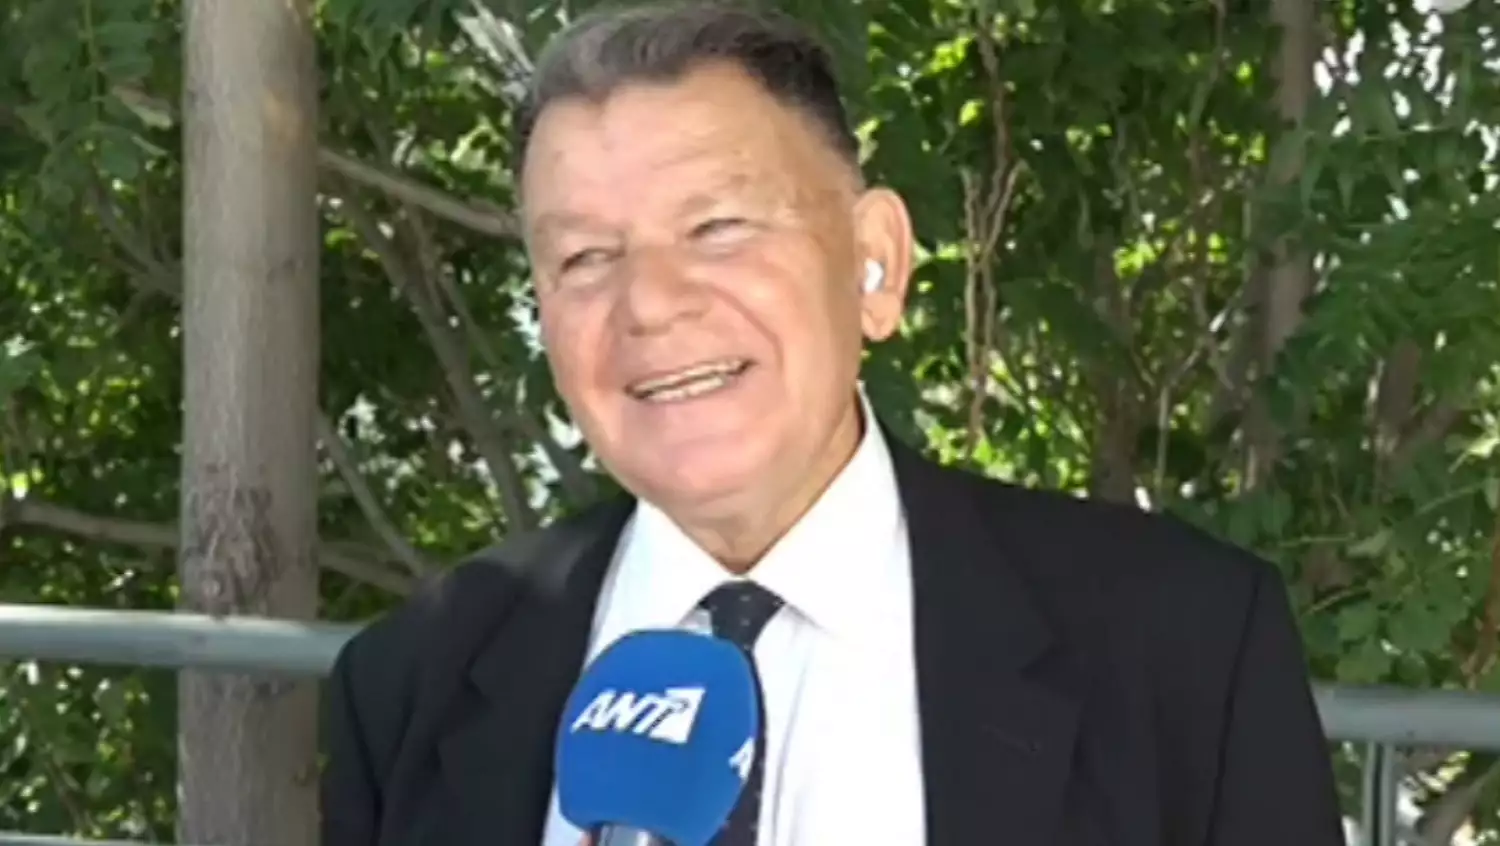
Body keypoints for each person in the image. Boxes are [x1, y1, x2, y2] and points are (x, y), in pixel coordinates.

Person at [319, 3, 1346, 845]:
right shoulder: (411, 683)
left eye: (717, 227)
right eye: (586, 257)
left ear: (876, 264)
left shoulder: (1183, 645)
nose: (650, 304)